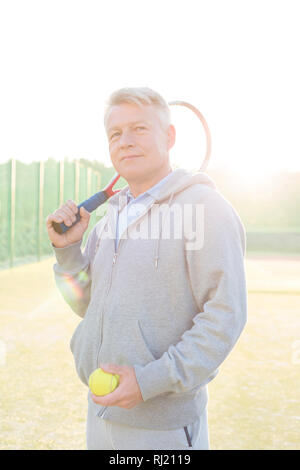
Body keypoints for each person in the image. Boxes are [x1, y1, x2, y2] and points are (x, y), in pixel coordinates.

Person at [46, 87, 247, 450]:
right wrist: (68, 251)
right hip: (101, 411)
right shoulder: (110, 217)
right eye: (115, 133)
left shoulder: (205, 208)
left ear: (169, 137)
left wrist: (149, 380)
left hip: (162, 427)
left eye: (139, 128)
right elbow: (85, 305)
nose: (125, 141)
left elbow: (225, 317)